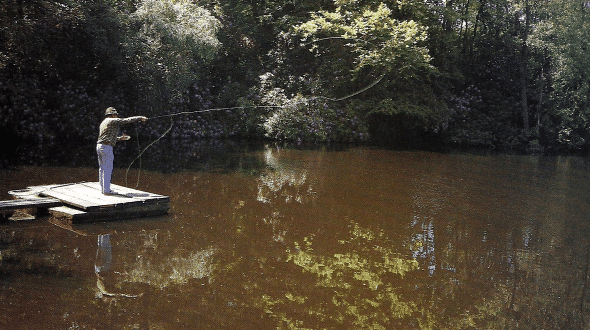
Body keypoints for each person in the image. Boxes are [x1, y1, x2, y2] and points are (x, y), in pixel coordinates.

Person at [96, 107, 148, 194]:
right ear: (112, 115)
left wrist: (120, 138)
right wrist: (140, 118)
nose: (117, 116)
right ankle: (106, 190)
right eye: (115, 114)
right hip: (106, 147)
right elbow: (126, 120)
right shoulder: (111, 120)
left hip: (100, 146)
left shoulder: (104, 122)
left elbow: (107, 137)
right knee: (108, 168)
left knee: (102, 168)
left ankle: (103, 189)